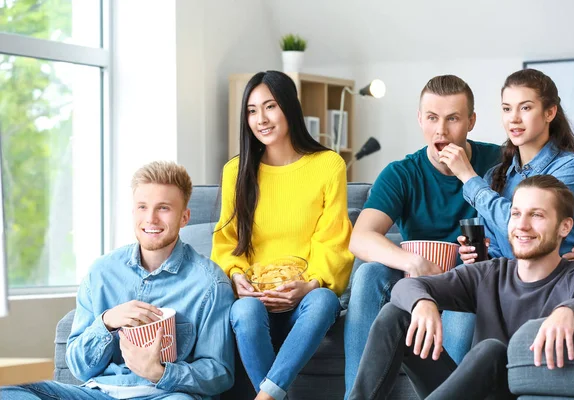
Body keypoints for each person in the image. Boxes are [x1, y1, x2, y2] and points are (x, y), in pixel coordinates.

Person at [349, 175, 574, 400]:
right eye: (515, 213)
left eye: (536, 215)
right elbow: (407, 287)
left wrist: (568, 310)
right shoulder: (490, 273)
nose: (522, 225)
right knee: (397, 314)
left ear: (564, 227)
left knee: (492, 351)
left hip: (509, 392)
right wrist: (422, 303)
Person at [1, 161, 235, 399]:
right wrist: (106, 322)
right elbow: (79, 368)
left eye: (163, 208)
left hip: (165, 394)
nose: (151, 218)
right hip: (98, 393)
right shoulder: (101, 273)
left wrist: (160, 373)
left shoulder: (210, 284)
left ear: (184, 217)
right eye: (142, 207)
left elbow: (219, 373)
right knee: (9, 393)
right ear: (133, 212)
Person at [344, 74, 501, 396]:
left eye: (453, 118)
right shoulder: (403, 173)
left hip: (470, 280)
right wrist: (412, 262)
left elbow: (549, 211)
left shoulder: (499, 163)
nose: (440, 131)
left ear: (471, 121)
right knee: (370, 273)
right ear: (420, 119)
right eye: (431, 118)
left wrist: (466, 174)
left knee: (467, 279)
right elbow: (360, 238)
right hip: (415, 279)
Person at [211, 70, 354, 400]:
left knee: (324, 301)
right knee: (243, 313)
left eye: (270, 106)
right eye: (251, 110)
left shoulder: (328, 165)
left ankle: (266, 396)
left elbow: (333, 239)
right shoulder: (235, 171)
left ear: (289, 107)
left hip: (304, 300)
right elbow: (227, 241)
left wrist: (311, 284)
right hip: (254, 302)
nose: (260, 119)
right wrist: (236, 278)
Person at [439, 68, 574, 264]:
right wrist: (481, 256)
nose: (514, 118)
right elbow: (498, 252)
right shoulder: (495, 176)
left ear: (550, 112)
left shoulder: (571, 169)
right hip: (511, 284)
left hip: (561, 283)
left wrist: (468, 177)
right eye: (507, 109)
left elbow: (527, 225)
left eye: (525, 108)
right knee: (417, 287)